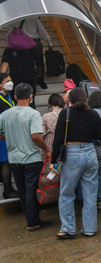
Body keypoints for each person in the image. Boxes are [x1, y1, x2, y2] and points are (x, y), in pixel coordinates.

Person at [50, 88, 101, 238]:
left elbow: (58, 139)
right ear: (85, 99)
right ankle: (90, 229)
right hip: (90, 153)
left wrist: (54, 161)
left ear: (70, 100)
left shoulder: (65, 113)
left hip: (72, 155)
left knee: (67, 193)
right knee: (90, 194)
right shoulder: (93, 114)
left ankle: (68, 229)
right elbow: (98, 135)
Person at [0, 83, 52, 231]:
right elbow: (35, 136)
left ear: (15, 97)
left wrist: (7, 136)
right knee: (31, 191)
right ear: (31, 96)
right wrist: (46, 149)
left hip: (14, 159)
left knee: (22, 191)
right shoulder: (33, 113)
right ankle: (34, 222)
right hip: (31, 158)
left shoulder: (5, 114)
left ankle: (31, 220)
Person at [12, 18, 53, 90]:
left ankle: (28, 79)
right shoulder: (34, 17)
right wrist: (49, 41)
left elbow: (11, 32)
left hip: (23, 43)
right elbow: (42, 30)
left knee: (26, 63)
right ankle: (39, 77)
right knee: (39, 62)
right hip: (35, 42)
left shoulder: (16, 18)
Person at [0, 73, 18, 199]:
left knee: (8, 161)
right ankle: (7, 189)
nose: (10, 83)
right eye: (7, 81)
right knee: (5, 162)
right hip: (1, 135)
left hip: (9, 133)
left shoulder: (8, 95)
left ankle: (9, 188)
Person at [41, 94, 64, 160]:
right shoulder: (68, 114)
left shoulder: (46, 116)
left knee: (50, 167)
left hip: (50, 143)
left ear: (50, 104)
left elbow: (42, 134)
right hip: (65, 143)